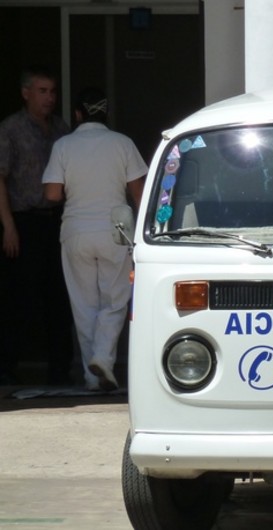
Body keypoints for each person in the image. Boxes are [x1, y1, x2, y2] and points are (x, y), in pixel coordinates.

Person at [42, 87, 147, 391]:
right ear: (106, 113)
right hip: (116, 229)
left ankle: (93, 376)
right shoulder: (122, 143)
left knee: (84, 305)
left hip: (75, 231)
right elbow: (139, 194)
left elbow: (52, 193)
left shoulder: (63, 145)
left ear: (77, 114)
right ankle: (103, 358)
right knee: (115, 300)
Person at [0, 67, 74, 386]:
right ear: (26, 93)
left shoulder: (61, 129)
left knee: (59, 295)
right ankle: (7, 368)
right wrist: (8, 226)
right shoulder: (11, 129)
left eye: (52, 91)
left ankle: (60, 369)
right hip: (23, 221)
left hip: (57, 221)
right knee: (19, 297)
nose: (49, 98)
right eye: (42, 91)